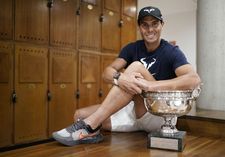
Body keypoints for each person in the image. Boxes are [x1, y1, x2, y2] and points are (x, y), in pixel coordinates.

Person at [52, 6, 201, 146]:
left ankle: (90, 126)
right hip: (134, 111)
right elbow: (107, 72)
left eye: (155, 24)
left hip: (157, 113)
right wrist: (120, 78)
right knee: (80, 115)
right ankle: (91, 130)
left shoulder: (171, 51)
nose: (150, 29)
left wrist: (150, 85)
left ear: (162, 24)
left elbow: (194, 79)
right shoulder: (132, 48)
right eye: (145, 25)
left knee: (136, 67)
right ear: (139, 27)